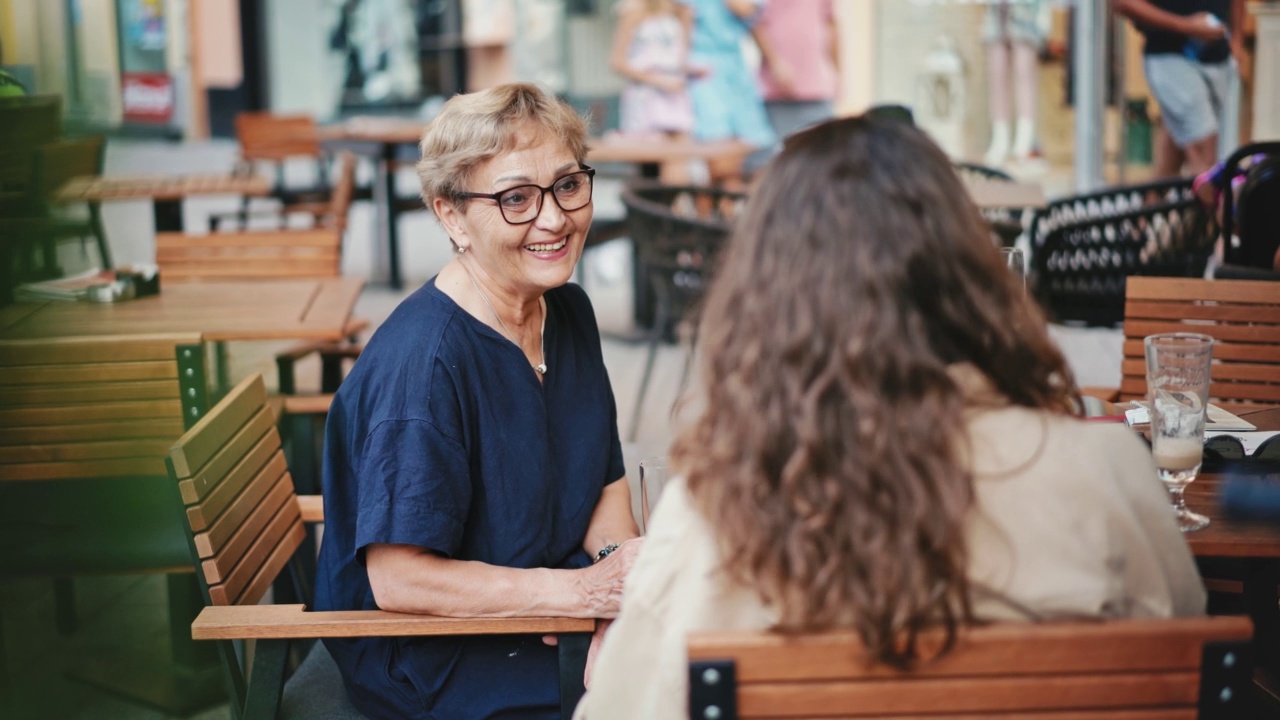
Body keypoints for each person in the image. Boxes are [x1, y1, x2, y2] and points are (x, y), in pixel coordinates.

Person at [574, 114, 1205, 719]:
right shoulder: (1106, 472)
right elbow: (1188, 668)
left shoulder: (713, 513)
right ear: (970, 277)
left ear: (763, 304)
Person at [314, 83, 642, 720]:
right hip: (439, 654)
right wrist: (576, 594)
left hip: (544, 614)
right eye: (515, 198)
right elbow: (400, 578)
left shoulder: (565, 309)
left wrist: (613, 601)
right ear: (451, 216)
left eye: (569, 185)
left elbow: (604, 487)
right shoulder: (426, 366)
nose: (553, 219)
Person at [1113, 0, 1246, 177]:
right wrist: (1187, 26)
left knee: (1173, 158)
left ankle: (1153, 201)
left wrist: (1237, 39)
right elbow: (1122, 3)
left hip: (1217, 58)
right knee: (1204, 150)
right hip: (1169, 55)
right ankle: (1214, 205)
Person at [678, 0, 774, 191]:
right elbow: (683, 37)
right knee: (719, 158)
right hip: (704, 72)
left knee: (746, 154)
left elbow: (743, 9)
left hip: (735, 71)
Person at [609, 0, 698, 183]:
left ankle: (673, 208)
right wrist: (658, 80)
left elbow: (681, 56)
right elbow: (617, 62)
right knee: (650, 167)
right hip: (645, 99)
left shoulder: (681, 11)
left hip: (674, 97)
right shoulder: (634, 10)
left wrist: (691, 72)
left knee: (678, 160)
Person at [751, 0, 839, 142]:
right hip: (777, 90)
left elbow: (831, 24)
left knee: (824, 150)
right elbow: (755, 21)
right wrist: (775, 62)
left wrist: (837, 72)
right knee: (780, 151)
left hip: (817, 88)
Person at [983, 0, 1051, 165]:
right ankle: (1000, 140)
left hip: (1026, 11)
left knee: (1024, 73)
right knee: (997, 74)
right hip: (996, 11)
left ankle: (1024, 142)